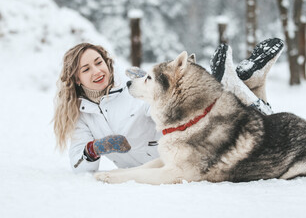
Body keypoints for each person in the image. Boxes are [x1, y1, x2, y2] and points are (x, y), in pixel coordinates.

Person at [53, 38, 284, 173]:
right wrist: (96, 148)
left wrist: (157, 86)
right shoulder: (80, 113)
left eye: (98, 62)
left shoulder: (131, 87)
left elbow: (171, 108)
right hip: (154, 170)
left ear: (106, 62)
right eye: (86, 69)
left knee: (232, 130)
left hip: (183, 155)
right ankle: (245, 82)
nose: (97, 71)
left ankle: (234, 84)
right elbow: (79, 166)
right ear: (75, 79)